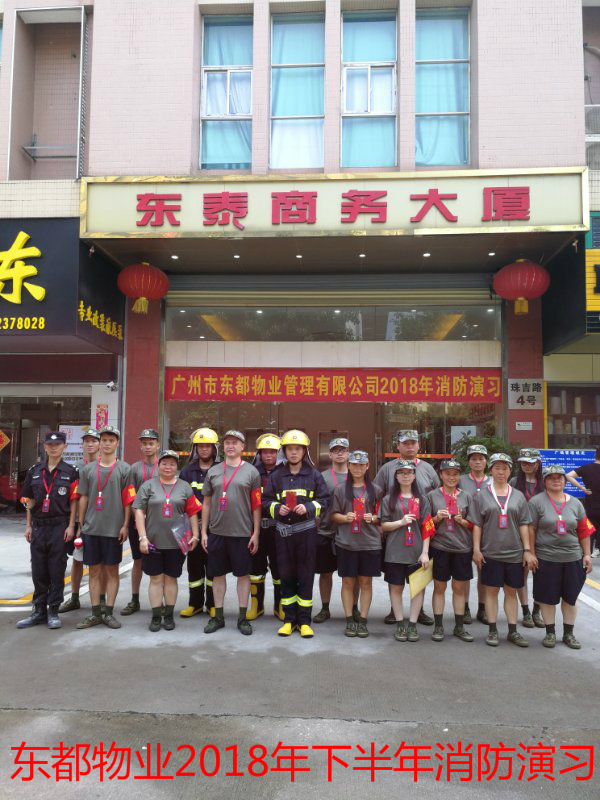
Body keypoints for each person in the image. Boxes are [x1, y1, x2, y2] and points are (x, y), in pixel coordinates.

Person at [262, 429, 330, 638]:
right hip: (283, 535)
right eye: (290, 449)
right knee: (286, 575)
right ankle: (289, 620)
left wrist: (309, 507)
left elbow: (325, 500)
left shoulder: (314, 475)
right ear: (284, 451)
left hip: (306, 534)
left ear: (304, 451)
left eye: (297, 449)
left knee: (306, 575)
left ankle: (304, 621)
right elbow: (265, 501)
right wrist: (276, 508)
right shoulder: (276, 476)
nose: (293, 452)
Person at [374, 429, 439, 627]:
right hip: (394, 536)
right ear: (398, 446)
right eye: (405, 443)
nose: (410, 447)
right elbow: (377, 495)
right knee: (395, 581)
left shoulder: (428, 469)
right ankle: (396, 613)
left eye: (413, 443)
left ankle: (418, 614)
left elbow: (436, 495)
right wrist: (380, 524)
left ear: (419, 445)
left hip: (420, 536)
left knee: (418, 582)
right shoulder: (387, 469)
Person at [471, 453, 535, 648]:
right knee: (491, 591)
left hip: (514, 553)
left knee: (511, 591)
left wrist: (527, 550)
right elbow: (477, 525)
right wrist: (476, 549)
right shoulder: (482, 495)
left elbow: (524, 524)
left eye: (505, 468)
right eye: (497, 468)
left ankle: (513, 630)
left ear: (510, 471)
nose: (501, 472)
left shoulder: (518, 495)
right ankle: (492, 630)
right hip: (490, 552)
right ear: (491, 470)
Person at [133, 450, 202, 632]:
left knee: (171, 578)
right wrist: (142, 537)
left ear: (176, 466)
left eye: (172, 464)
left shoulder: (184, 487)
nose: (168, 467)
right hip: (152, 542)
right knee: (156, 578)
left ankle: (169, 615)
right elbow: (139, 511)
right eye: (164, 463)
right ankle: (156, 616)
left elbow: (192, 512)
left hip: (176, 543)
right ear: (159, 465)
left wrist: (195, 535)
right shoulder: (148, 485)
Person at [201, 430, 262, 636]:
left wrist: (256, 533)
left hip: (242, 533)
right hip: (217, 532)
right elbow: (206, 503)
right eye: (227, 442)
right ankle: (217, 617)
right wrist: (204, 532)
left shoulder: (252, 472)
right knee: (217, 575)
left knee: (243, 576)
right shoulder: (213, 471)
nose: (230, 446)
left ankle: (242, 618)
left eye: (235, 443)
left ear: (243, 447)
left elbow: (256, 505)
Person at [17, 432, 79, 630]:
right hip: (38, 526)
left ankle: (53, 611)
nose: (53, 448)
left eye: (58, 444)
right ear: (44, 446)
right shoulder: (34, 471)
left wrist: (71, 525)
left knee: (56, 569)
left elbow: (74, 501)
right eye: (50, 444)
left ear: (64, 447)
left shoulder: (71, 472)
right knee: (38, 569)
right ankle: (38, 611)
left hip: (59, 526)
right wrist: (28, 525)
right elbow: (29, 500)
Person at [75, 426, 135, 630]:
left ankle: (108, 613)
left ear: (117, 443)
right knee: (93, 571)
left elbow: (128, 500)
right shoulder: (88, 470)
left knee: (112, 571)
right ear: (99, 443)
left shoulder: (125, 469)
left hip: (113, 530)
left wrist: (125, 525)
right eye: (104, 440)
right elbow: (83, 497)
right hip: (91, 529)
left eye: (111, 440)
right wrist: (81, 524)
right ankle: (95, 613)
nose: (107, 443)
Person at [530, 465, 595, 649]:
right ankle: (550, 633)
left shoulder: (575, 503)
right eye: (551, 478)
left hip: (573, 557)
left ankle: (569, 634)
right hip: (546, 557)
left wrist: (587, 555)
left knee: (570, 597)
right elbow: (530, 530)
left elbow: (584, 531)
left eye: (559, 477)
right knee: (547, 598)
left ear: (565, 481)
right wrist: (530, 553)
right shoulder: (536, 502)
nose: (556, 481)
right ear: (545, 481)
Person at [380, 461, 435, 643]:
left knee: (417, 589)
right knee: (396, 588)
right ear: (396, 476)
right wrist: (401, 522)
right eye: (401, 473)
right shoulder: (389, 499)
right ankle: (399, 624)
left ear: (414, 476)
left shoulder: (422, 499)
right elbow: (383, 526)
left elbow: (428, 526)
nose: (405, 476)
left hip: (417, 552)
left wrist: (425, 552)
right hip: (395, 552)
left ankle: (412, 624)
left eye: (409, 472)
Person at [330, 450, 382, 638]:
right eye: (354, 465)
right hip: (346, 542)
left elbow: (382, 516)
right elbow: (333, 515)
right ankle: (349, 619)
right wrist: (345, 517)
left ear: (367, 466)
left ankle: (363, 620)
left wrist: (373, 518)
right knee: (347, 581)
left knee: (366, 582)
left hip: (370, 543)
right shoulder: (340, 489)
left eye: (361, 465)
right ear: (349, 466)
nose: (358, 468)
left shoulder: (376, 490)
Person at [428, 459, 474, 643]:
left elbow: (474, 525)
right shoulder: (432, 496)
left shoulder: (467, 496)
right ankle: (438, 625)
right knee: (439, 587)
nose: (451, 477)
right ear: (441, 475)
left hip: (462, 548)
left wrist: (462, 521)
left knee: (459, 588)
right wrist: (436, 518)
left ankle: (459, 626)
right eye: (447, 473)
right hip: (440, 547)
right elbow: (425, 524)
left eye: (455, 474)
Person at [59, 427, 102, 614]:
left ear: (100, 444)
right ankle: (74, 597)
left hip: (100, 520)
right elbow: (74, 498)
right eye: (87, 441)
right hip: (80, 522)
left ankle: (101, 600)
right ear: (82, 444)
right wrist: (75, 523)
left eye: (94, 441)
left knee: (101, 563)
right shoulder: (76, 469)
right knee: (77, 560)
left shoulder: (106, 466)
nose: (90, 444)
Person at [179, 427, 218, 618]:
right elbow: (181, 497)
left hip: (215, 527)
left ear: (214, 449)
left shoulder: (220, 470)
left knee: (213, 567)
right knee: (194, 566)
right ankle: (194, 604)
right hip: (192, 526)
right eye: (200, 446)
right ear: (195, 448)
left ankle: (212, 604)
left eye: (207, 446)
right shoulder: (187, 471)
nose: (204, 449)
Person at [120, 428, 160, 617]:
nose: (147, 447)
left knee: (159, 563)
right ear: (141, 446)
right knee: (138, 561)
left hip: (160, 524)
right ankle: (134, 599)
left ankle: (159, 603)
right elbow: (130, 497)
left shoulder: (164, 466)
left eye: (151, 443)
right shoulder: (134, 469)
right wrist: (133, 519)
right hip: (138, 522)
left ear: (158, 445)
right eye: (144, 444)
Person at [313, 437, 350, 624]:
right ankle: (325, 608)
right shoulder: (322, 477)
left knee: (350, 576)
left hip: (350, 533)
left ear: (348, 453)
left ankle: (352, 609)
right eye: (336, 450)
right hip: (326, 532)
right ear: (330, 454)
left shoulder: (356, 475)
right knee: (325, 573)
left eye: (343, 450)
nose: (339, 453)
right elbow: (315, 502)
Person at [248, 433, 283, 620]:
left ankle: (280, 607)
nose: (269, 455)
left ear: (278, 453)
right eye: (265, 452)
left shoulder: (286, 472)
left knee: (279, 568)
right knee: (256, 569)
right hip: (257, 529)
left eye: (273, 452)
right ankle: (257, 606)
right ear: (259, 454)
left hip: (279, 529)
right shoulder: (252, 472)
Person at [510, 448, 545, 629]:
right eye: (524, 463)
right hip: (520, 533)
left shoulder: (545, 482)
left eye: (531, 463)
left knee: (541, 574)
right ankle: (525, 611)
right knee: (521, 573)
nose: (527, 466)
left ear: (538, 464)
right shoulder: (514, 482)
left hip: (542, 534)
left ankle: (537, 610)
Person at [458, 443, 490, 624]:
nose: (477, 462)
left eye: (481, 458)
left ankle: (483, 608)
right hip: (463, 531)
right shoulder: (461, 480)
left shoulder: (492, 481)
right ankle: (465, 607)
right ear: (468, 462)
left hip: (486, 533)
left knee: (483, 572)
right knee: (464, 574)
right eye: (474, 459)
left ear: (486, 461)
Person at [567, 448, 600, 557]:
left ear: (595, 455)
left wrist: (582, 488)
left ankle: (587, 553)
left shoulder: (586, 468)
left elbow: (568, 475)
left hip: (591, 504)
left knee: (589, 528)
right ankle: (597, 549)